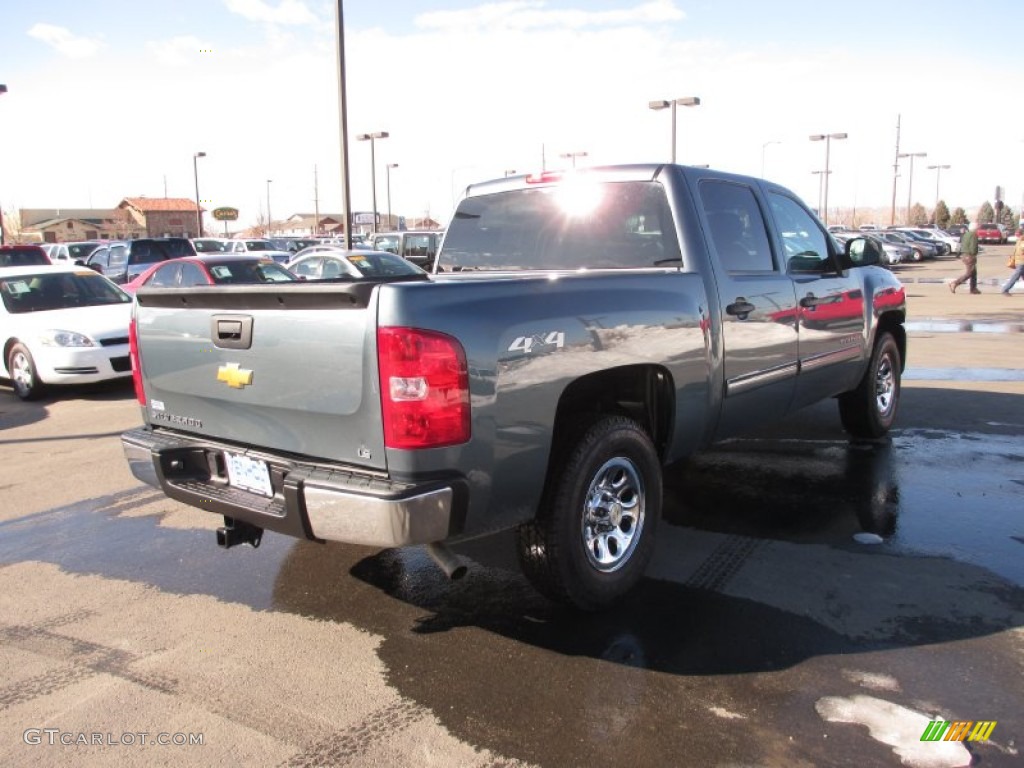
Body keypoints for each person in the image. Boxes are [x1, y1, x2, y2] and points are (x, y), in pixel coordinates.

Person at [951, 221, 980, 294]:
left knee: (973, 273)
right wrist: (974, 254)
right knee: (969, 273)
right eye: (978, 227)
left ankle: (973, 289)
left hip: (964, 255)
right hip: (970, 256)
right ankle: (955, 283)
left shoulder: (966, 234)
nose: (978, 228)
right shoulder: (973, 235)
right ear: (975, 228)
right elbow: (973, 247)